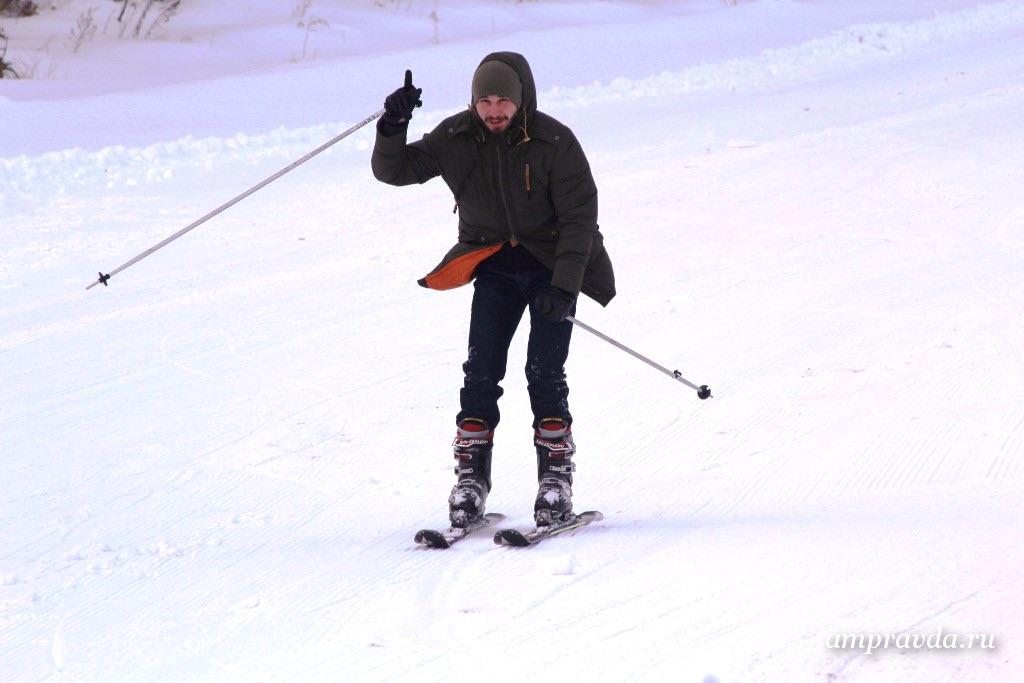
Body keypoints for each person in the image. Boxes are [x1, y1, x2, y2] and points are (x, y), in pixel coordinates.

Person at [371, 52, 615, 528]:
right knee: (480, 372)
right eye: (485, 100)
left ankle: (555, 484)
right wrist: (393, 123)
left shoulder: (555, 141)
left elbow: (579, 221)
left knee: (543, 372)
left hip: (550, 265)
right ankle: (470, 484)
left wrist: (565, 288)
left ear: (521, 98)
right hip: (494, 267)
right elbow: (394, 170)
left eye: (504, 99)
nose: (494, 109)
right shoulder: (456, 136)